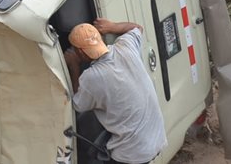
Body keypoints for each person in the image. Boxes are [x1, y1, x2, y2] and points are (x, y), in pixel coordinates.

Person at [65, 19, 167, 164]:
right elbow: (137, 27)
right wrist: (112, 27)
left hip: (132, 153)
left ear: (80, 52)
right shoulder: (125, 47)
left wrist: (74, 66)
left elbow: (77, 104)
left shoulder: (92, 77)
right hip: (155, 138)